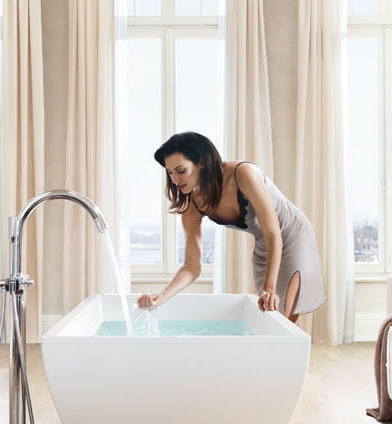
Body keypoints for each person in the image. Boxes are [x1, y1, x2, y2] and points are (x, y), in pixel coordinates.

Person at [136, 132, 326, 322]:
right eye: (170, 173)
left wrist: (269, 288)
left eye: (180, 170)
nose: (175, 179)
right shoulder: (192, 207)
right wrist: (160, 298)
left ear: (201, 162)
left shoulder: (242, 174)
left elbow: (272, 231)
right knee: (270, 318)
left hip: (293, 237)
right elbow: (191, 267)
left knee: (282, 320)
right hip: (264, 246)